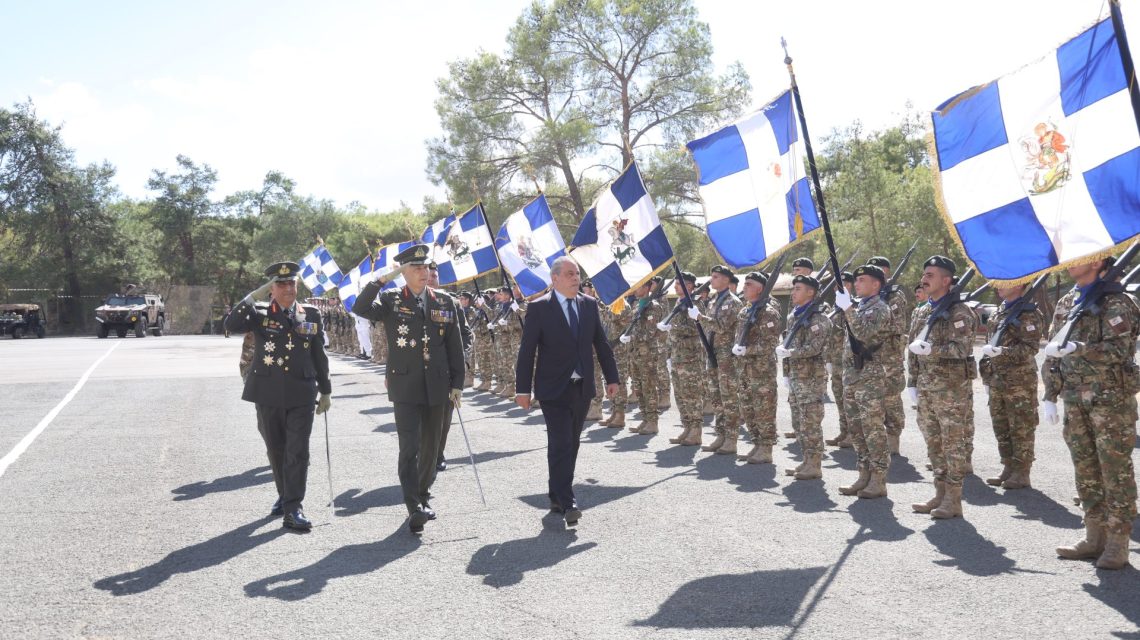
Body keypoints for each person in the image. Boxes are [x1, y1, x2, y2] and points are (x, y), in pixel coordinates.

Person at [352, 244, 465, 534]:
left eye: (425, 267)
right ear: (403, 272)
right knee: (410, 446)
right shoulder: (391, 300)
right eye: (416, 268)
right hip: (405, 384)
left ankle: (423, 495)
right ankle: (413, 505)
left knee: (431, 447)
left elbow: (454, 345)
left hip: (438, 384)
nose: (423, 272)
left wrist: (457, 384)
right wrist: (381, 280)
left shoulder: (444, 301)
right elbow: (359, 308)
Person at [225, 261, 332, 532]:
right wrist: (255, 295)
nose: (288, 288)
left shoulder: (310, 313)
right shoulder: (259, 313)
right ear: (271, 288)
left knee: (298, 450)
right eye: (281, 284)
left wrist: (326, 390)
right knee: (276, 449)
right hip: (268, 391)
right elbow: (231, 324)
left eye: (291, 283)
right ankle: (285, 495)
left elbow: (318, 354)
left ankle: (294, 507)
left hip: (302, 391)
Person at [1049, 257, 1140, 570]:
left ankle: (1118, 542)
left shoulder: (1117, 301)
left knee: (1114, 470)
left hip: (1110, 400)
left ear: (1098, 260)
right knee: (1085, 468)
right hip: (1075, 398)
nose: (1072, 261)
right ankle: (1094, 536)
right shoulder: (1067, 301)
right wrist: (1050, 394)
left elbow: (1120, 349)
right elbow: (1053, 350)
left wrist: (1079, 348)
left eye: (1081, 255)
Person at [515, 256, 620, 526]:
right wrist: (522, 389)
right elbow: (527, 351)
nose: (576, 278)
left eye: (577, 274)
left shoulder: (589, 305)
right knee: (561, 441)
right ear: (555, 278)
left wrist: (612, 377)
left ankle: (556, 494)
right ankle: (568, 499)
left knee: (571, 442)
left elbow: (601, 343)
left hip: (581, 387)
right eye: (570, 274)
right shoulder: (539, 308)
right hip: (552, 388)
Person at [908, 256, 977, 519]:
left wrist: (932, 350)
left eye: (930, 275)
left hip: (951, 389)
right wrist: (912, 382)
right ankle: (939, 492)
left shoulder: (960, 312)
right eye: (924, 274)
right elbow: (913, 350)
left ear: (946, 280)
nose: (924, 279)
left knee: (952, 444)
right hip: (927, 387)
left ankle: (954, 499)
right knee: (933, 442)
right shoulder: (922, 311)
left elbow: (962, 349)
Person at [835, 265, 893, 498]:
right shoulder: (860, 307)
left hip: (870, 377)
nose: (856, 284)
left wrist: (847, 308)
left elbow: (862, 333)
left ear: (876, 284)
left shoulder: (880, 308)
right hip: (853, 375)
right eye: (856, 280)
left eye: (862, 280)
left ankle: (878, 479)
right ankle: (863, 474)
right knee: (857, 429)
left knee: (872, 429)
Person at [978, 283, 1043, 489]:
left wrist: (1003, 352)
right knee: (1001, 426)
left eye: (1005, 282)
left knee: (1021, 427)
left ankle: (1022, 472)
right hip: (997, 378)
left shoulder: (1029, 313)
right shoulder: (1000, 311)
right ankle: (1008, 466)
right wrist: (987, 375)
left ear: (1020, 284)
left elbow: (1031, 347)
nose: (998, 286)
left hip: (1019, 381)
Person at [776, 274, 830, 479]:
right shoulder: (793, 316)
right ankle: (806, 460)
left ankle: (815, 465)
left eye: (798, 289)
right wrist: (787, 371)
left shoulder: (819, 318)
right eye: (794, 288)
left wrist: (790, 353)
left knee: (811, 423)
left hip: (811, 378)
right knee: (799, 422)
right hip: (797, 377)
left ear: (811, 292)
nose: (793, 292)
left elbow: (815, 347)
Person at [734, 271, 782, 464]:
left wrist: (747, 350)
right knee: (748, 409)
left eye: (749, 284)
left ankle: (766, 448)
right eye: (744, 284)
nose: (744, 287)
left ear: (761, 289)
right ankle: (756, 444)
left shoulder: (769, 313)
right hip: (744, 369)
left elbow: (770, 344)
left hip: (761, 371)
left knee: (764, 410)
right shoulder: (745, 311)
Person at [428, 262, 472, 472]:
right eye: (427, 274)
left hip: (445, 371)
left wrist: (462, 360)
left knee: (444, 418)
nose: (431, 278)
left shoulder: (450, 303)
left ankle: (438, 453)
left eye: (434, 275)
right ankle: (422, 453)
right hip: (419, 371)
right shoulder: (408, 301)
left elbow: (466, 334)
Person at [867, 256, 912, 455]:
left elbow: (898, 326)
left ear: (887, 273)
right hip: (871, 356)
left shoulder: (894, 296)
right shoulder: (868, 298)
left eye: (880, 270)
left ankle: (893, 438)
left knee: (891, 398)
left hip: (890, 356)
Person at [697, 266, 744, 455]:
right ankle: (721, 435)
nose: (712, 280)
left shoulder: (733, 302)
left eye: (715, 277)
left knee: (729, 398)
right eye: (712, 276)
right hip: (713, 354)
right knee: (716, 397)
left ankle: (731, 439)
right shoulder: (714, 300)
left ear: (726, 280)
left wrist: (699, 317)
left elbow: (721, 327)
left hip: (727, 357)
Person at [657, 272, 707, 447]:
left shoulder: (696, 304)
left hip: (690, 358)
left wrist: (673, 327)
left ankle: (696, 431)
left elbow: (697, 329)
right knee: (680, 394)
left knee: (691, 394)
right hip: (677, 356)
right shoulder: (679, 302)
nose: (675, 286)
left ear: (690, 286)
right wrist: (669, 354)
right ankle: (687, 427)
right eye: (676, 283)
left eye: (679, 283)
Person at [621, 281, 663, 434]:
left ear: (646, 288)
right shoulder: (637, 305)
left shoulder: (653, 306)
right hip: (635, 352)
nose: (635, 289)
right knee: (638, 387)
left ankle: (653, 422)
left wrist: (632, 337)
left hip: (647, 354)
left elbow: (651, 332)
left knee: (649, 387)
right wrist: (628, 336)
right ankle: (645, 419)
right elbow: (632, 325)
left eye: (638, 286)